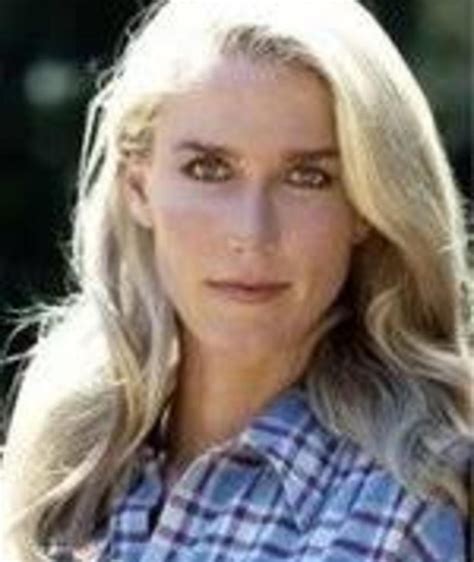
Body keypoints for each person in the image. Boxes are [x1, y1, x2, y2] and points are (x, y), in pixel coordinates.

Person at [1, 0, 472, 560]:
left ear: (364, 208)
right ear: (139, 187)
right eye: (209, 169)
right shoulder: (66, 462)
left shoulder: (404, 508)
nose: (252, 232)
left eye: (308, 176)